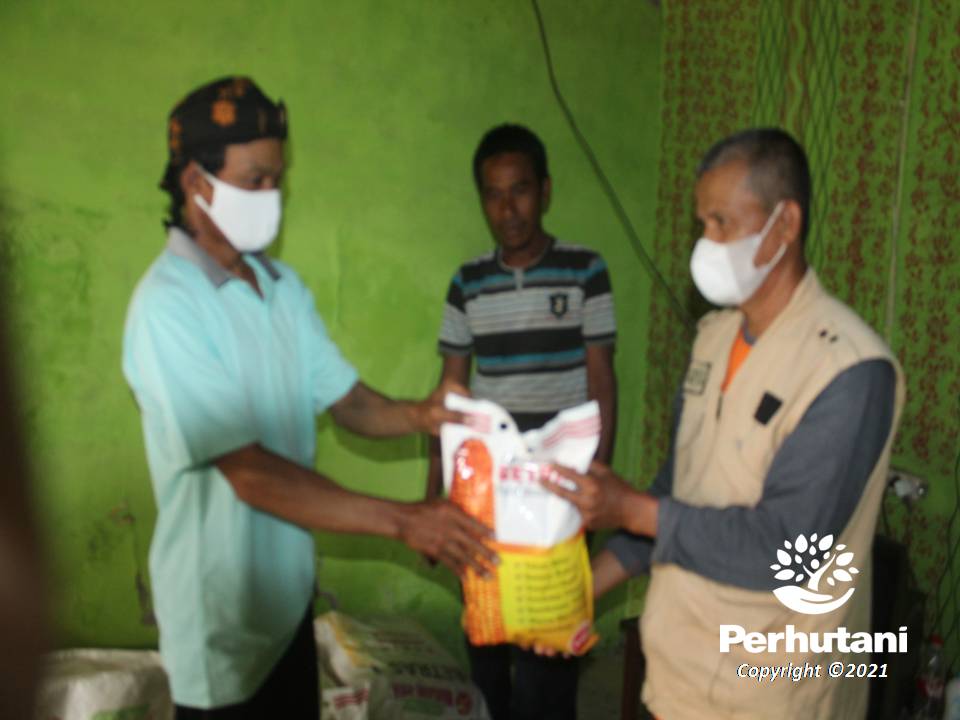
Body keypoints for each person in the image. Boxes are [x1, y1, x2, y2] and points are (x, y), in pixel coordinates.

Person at [122, 76, 495, 720]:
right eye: (255, 180)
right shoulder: (167, 307)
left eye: (278, 180)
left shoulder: (280, 288)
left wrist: (423, 413)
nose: (273, 197)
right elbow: (249, 472)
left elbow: (349, 403)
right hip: (219, 622)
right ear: (195, 183)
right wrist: (405, 519)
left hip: (287, 607)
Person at [546, 128, 904, 719]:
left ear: (784, 225)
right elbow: (675, 492)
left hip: (768, 693)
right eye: (701, 224)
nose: (705, 244)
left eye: (721, 223)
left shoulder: (849, 369)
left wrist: (630, 509)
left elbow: (787, 550)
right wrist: (578, 594)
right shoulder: (713, 339)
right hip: (680, 673)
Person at [426, 124, 618, 720]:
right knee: (486, 643)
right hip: (486, 492)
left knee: (548, 652)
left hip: (559, 489)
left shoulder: (585, 271)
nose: (507, 209)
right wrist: (433, 496)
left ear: (545, 191)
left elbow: (602, 380)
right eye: (493, 194)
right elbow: (451, 397)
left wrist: (598, 477)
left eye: (521, 190)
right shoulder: (467, 283)